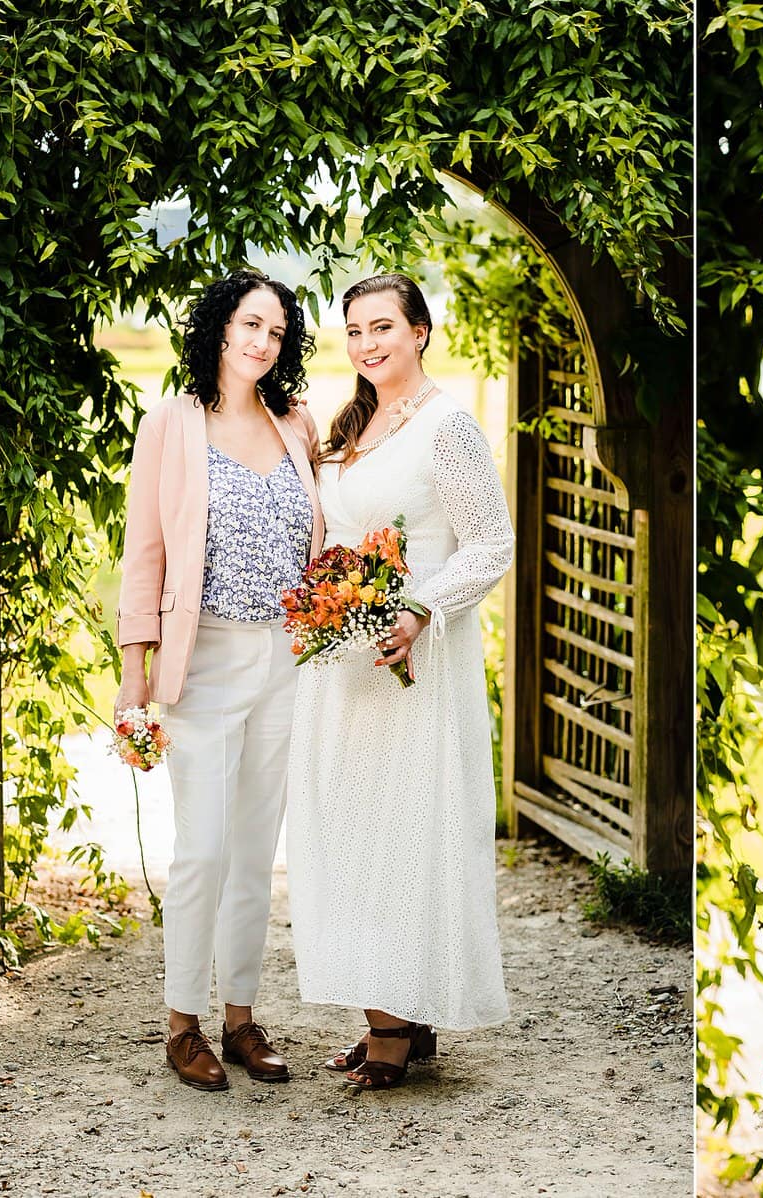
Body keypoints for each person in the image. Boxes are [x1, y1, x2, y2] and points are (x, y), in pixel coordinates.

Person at [284, 272, 514, 1091]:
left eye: (383, 326)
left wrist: (418, 608)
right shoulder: (354, 421)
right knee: (351, 832)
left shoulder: (447, 428)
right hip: (343, 664)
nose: (367, 344)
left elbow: (491, 544)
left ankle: (393, 1022)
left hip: (414, 659)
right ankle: (396, 1012)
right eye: (353, 331)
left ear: (419, 330)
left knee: (402, 832)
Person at [116, 269, 323, 1091]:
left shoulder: (295, 424)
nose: (261, 342)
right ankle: (182, 1025)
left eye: (276, 332)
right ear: (220, 328)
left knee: (251, 848)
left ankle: (240, 1017)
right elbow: (145, 555)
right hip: (199, 662)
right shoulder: (170, 423)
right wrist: (135, 671)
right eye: (249, 324)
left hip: (282, 660)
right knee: (200, 847)